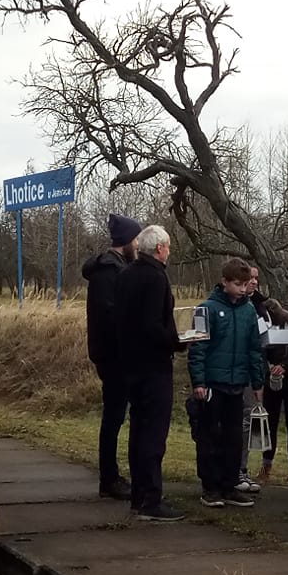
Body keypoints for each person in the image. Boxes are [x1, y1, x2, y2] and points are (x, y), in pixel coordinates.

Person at [110, 224, 188, 521]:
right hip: (154, 365)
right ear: (159, 248)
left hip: (129, 363)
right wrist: (179, 341)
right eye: (168, 246)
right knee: (154, 434)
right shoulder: (155, 278)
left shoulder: (126, 274)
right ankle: (151, 500)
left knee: (138, 430)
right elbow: (154, 325)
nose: (169, 251)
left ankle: (138, 496)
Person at [189, 258, 266, 507]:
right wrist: (198, 381)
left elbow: (255, 348)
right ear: (224, 282)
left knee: (234, 436)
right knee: (210, 435)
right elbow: (198, 348)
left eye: (246, 284)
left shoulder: (248, 310)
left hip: (237, 382)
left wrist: (257, 381)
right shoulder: (206, 308)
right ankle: (210, 486)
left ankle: (230, 483)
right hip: (213, 383)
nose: (243, 289)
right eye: (237, 284)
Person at [82, 213, 142, 500]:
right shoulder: (109, 272)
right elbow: (109, 316)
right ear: (126, 242)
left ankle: (112, 475)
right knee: (114, 417)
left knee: (116, 415)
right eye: (136, 239)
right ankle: (109, 477)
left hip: (114, 353)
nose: (138, 245)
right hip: (113, 355)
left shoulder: (115, 267)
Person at [256, 293, 288, 484]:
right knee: (269, 423)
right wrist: (266, 368)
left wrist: (285, 366)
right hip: (271, 378)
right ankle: (266, 465)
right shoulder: (262, 323)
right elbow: (259, 349)